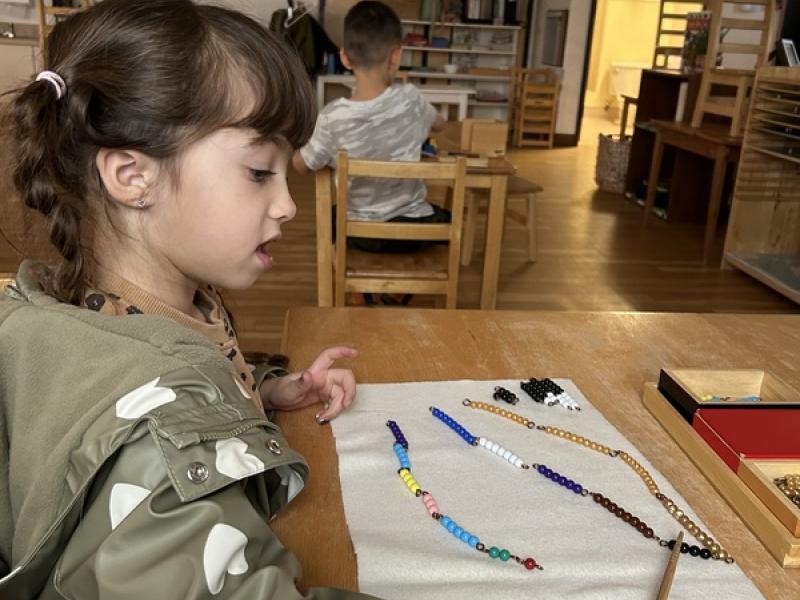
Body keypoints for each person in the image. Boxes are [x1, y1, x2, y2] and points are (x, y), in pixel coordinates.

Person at [0, 1, 377, 598]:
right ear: (132, 177)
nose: (287, 205)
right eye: (259, 171)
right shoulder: (153, 452)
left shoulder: (152, 306)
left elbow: (185, 373)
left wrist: (266, 388)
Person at [292, 0, 447, 254]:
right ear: (396, 56)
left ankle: (364, 292)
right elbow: (440, 124)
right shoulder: (412, 100)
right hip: (412, 232)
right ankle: (400, 292)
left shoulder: (333, 117)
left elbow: (300, 165)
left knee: (332, 216)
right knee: (449, 219)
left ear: (344, 57)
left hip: (358, 231)